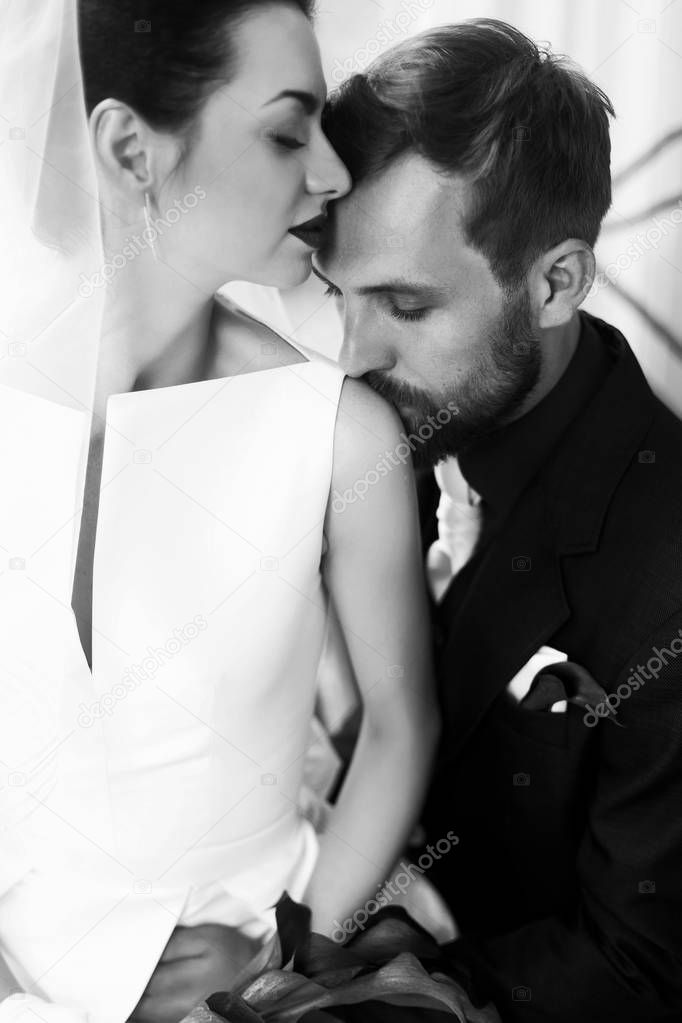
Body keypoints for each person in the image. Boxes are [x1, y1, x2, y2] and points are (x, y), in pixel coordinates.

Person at [0, 2, 439, 1020]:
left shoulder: (341, 437)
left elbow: (399, 724)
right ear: (126, 147)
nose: (331, 175)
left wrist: (293, 956)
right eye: (287, 131)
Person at [315, 18, 682, 1023]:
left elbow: (639, 968)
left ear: (555, 282)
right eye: (334, 291)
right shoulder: (360, 438)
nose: (347, 355)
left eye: (405, 303)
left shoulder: (665, 568)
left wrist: (361, 984)